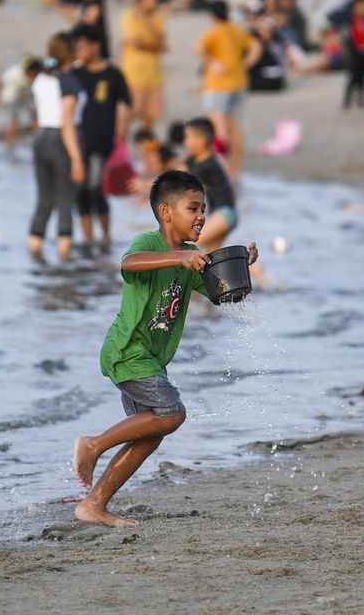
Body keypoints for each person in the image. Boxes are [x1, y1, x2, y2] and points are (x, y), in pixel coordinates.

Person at [71, 170, 258, 527]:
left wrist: (241, 266)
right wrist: (178, 259)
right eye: (193, 208)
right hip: (128, 351)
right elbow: (128, 264)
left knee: (152, 432)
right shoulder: (150, 244)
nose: (202, 216)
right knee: (172, 414)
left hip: (150, 358)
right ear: (167, 212)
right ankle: (92, 445)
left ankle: (93, 505)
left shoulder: (193, 258)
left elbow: (224, 294)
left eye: (203, 208)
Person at [71, 25, 132, 248]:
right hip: (78, 142)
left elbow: (127, 102)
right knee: (81, 191)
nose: (80, 50)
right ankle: (88, 241)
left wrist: (121, 131)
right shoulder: (75, 74)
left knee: (96, 188)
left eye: (83, 46)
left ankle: (106, 236)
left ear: (96, 45)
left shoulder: (113, 74)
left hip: (103, 142)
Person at [28, 34, 85, 262]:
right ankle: (64, 260)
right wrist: (77, 159)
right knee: (65, 200)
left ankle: (34, 255)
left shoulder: (41, 77)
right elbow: (68, 124)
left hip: (40, 138)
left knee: (43, 200)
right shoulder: (68, 81)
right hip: (61, 141)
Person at [195, 0, 261, 178]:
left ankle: (222, 172)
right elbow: (256, 46)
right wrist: (246, 63)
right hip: (239, 82)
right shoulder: (237, 30)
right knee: (235, 127)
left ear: (212, 16)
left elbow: (199, 49)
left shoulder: (214, 31)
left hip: (218, 85)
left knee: (219, 129)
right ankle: (235, 172)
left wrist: (213, 62)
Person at [182, 118, 238, 253]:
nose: (185, 142)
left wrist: (147, 186)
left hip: (223, 215)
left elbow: (178, 179)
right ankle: (254, 270)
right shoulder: (196, 160)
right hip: (223, 215)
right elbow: (178, 168)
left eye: (187, 138)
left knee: (186, 247)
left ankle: (254, 268)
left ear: (200, 140)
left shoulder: (207, 165)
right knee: (212, 257)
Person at [119, 0, 168, 131]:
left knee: (149, 118)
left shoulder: (157, 17)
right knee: (127, 115)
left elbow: (161, 38)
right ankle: (120, 149)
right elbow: (135, 43)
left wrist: (146, 21)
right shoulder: (128, 16)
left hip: (153, 75)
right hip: (134, 75)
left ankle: (146, 150)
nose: (154, 0)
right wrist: (156, 48)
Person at [0, 56, 38, 155]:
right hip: (10, 97)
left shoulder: (34, 73)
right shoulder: (14, 73)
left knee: (34, 117)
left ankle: (38, 140)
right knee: (13, 120)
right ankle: (10, 145)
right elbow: (1, 82)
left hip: (25, 95)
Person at [343, 0, 364, 109]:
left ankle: (361, 99)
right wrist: (361, 46)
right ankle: (347, 100)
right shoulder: (353, 21)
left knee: (362, 77)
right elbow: (354, 37)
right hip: (355, 53)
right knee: (353, 77)